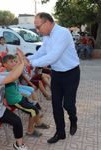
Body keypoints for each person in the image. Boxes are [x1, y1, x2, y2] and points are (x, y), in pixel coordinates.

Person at [27, 12, 80, 144]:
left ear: (48, 23)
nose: (37, 30)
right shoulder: (47, 36)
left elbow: (53, 56)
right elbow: (42, 53)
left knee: (68, 104)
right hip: (57, 74)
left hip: (71, 74)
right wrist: (27, 60)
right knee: (56, 105)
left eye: (38, 27)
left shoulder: (63, 33)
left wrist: (32, 63)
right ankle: (60, 133)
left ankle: (73, 119)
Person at [2, 54, 49, 137]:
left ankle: (38, 123)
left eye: (14, 61)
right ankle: (30, 131)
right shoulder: (6, 75)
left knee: (34, 105)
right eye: (11, 62)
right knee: (33, 110)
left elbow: (18, 67)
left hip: (19, 97)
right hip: (14, 100)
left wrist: (21, 59)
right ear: (5, 64)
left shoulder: (12, 71)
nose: (13, 63)